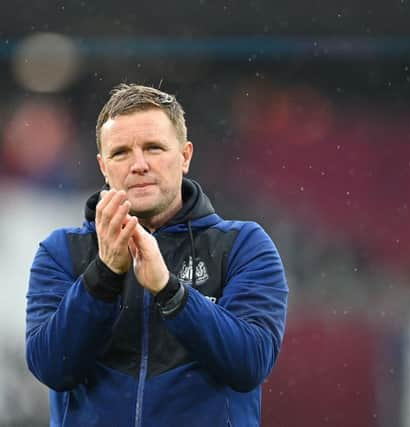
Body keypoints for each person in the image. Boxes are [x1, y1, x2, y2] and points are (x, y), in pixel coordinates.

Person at [25, 84, 289, 426]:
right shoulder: (60, 251)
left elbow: (250, 363)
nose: (139, 165)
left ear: (185, 156)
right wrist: (104, 275)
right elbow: (52, 367)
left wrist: (170, 291)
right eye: (121, 153)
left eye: (153, 148)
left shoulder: (243, 245)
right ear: (103, 166)